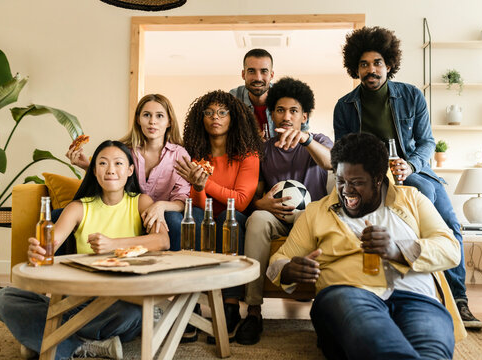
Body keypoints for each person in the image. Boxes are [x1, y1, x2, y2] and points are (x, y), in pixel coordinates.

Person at [332, 26, 481, 329]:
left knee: (448, 222)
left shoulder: (411, 96)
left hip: (412, 171)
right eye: (363, 64)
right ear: (355, 68)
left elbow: (427, 142)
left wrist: (410, 166)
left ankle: (458, 299)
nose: (370, 70)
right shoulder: (344, 106)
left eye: (377, 63)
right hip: (368, 177)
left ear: (388, 65)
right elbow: (343, 152)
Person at [267, 133, 465, 360]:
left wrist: (398, 250)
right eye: (341, 181)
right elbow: (279, 260)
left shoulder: (412, 199)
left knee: (433, 354)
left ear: (378, 178)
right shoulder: (316, 212)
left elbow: (450, 249)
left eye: (357, 183)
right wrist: (288, 269)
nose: (346, 191)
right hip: (349, 293)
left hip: (418, 298)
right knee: (380, 345)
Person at [0, 140, 170, 360]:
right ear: (94, 170)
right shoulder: (78, 208)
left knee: (137, 311)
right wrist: (37, 251)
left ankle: (47, 339)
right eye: (103, 163)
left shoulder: (142, 202)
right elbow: (51, 243)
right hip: (75, 303)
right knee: (4, 298)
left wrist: (113, 245)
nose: (111, 170)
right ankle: (83, 345)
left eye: (118, 163)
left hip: (117, 304)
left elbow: (163, 240)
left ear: (130, 170)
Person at [235, 77, 333, 345]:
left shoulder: (319, 140)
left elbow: (330, 163)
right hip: (277, 217)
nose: (286, 116)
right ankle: (253, 310)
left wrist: (306, 140)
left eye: (293, 111)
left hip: (310, 219)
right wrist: (260, 204)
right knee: (256, 219)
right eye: (280, 110)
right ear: (271, 115)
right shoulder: (263, 151)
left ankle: (327, 307)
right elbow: (252, 195)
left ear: (305, 115)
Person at [175, 90, 263, 343]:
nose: (216, 117)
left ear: (232, 118)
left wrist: (205, 182)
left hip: (235, 218)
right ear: (201, 118)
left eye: (222, 112)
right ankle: (190, 304)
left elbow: (242, 201)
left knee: (229, 219)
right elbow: (199, 203)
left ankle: (231, 306)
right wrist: (200, 188)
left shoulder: (248, 154)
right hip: (204, 215)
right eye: (209, 112)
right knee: (194, 219)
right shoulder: (193, 154)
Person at [67, 94, 190, 250]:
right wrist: (87, 166)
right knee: (60, 214)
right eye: (147, 115)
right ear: (138, 119)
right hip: (130, 210)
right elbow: (113, 177)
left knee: (172, 219)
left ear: (169, 122)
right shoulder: (125, 150)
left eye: (159, 116)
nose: (152, 121)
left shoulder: (179, 155)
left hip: (163, 213)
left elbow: (182, 200)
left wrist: (160, 206)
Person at [230, 49, 310, 140]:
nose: (258, 78)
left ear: (271, 75)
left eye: (264, 71)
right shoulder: (233, 98)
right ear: (243, 74)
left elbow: (303, 133)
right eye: (251, 71)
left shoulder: (289, 96)